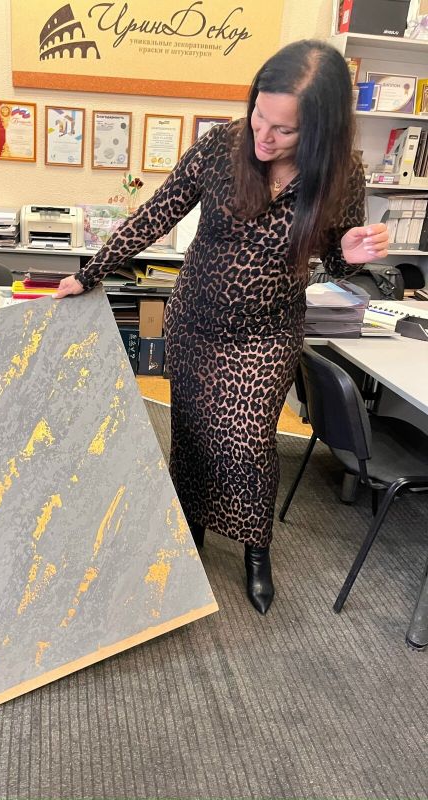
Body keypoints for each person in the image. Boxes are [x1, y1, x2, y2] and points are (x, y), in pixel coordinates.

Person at [54, 40, 389, 614]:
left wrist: (350, 256)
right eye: (260, 115)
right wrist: (89, 273)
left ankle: (256, 550)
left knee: (249, 443)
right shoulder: (220, 147)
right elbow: (155, 213)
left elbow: (335, 259)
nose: (264, 136)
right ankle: (190, 530)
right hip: (195, 323)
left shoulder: (342, 173)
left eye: (284, 130)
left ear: (320, 131)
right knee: (190, 433)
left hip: (268, 331)